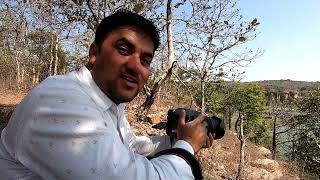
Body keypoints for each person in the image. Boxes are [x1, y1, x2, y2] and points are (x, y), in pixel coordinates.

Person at [0, 11, 213, 180]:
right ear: (94, 53)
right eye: (123, 49)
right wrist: (187, 146)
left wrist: (174, 140)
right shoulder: (60, 101)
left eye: (145, 60)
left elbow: (128, 146)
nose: (135, 67)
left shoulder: (107, 99)